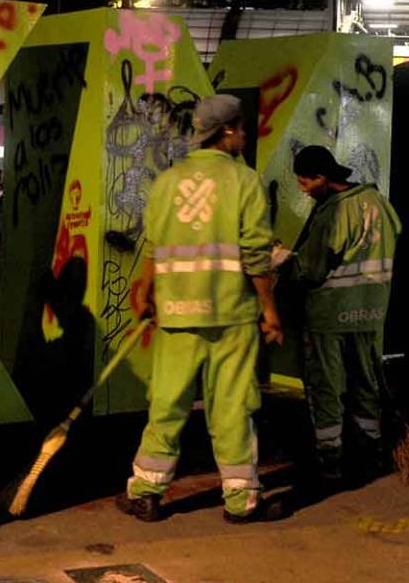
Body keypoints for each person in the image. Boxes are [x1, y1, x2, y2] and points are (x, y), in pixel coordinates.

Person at [118, 94, 286, 524]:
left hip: (176, 314)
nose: (245, 136)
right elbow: (254, 253)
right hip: (231, 315)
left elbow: (153, 244)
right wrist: (269, 307)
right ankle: (241, 499)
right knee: (232, 405)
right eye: (243, 129)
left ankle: (146, 492)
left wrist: (145, 289)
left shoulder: (168, 181)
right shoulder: (245, 182)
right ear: (227, 131)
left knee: (167, 402)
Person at [273, 145, 402, 483]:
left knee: (326, 387)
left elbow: (311, 270)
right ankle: (370, 453)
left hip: (330, 315)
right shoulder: (378, 203)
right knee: (366, 383)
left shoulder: (333, 212)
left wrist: (281, 258)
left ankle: (330, 460)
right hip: (371, 311)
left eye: (304, 182)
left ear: (322, 178)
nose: (303, 189)